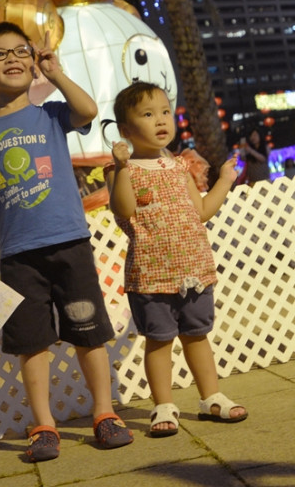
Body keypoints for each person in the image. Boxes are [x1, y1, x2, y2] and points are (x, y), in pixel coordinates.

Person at [0, 21, 133, 462]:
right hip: (18, 255)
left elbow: (88, 109)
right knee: (31, 342)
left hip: (69, 242)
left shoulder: (51, 113)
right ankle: (43, 426)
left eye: (19, 51)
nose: (12, 59)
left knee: (88, 333)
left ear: (33, 62)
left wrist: (54, 72)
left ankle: (105, 413)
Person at [105, 81, 248, 438]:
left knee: (197, 336)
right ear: (125, 130)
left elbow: (200, 212)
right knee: (160, 340)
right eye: (148, 114)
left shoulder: (179, 166)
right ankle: (163, 405)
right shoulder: (122, 170)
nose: (161, 120)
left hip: (193, 269)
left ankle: (211, 397)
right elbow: (124, 210)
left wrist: (225, 181)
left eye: (165, 111)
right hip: (151, 274)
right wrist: (122, 166)